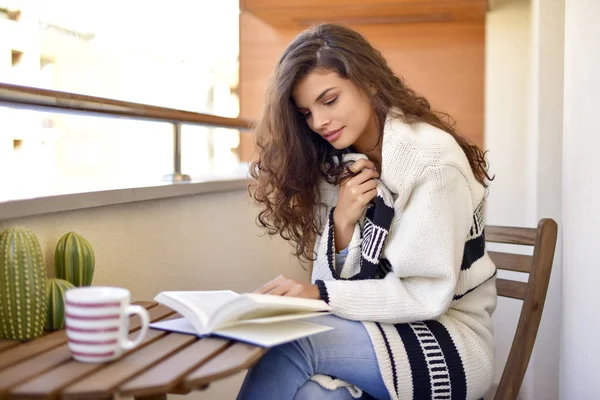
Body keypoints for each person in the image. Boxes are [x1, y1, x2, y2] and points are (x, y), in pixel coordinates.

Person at [238, 23, 497, 400]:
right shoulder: (346, 164)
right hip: (380, 329)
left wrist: (317, 293)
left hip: (449, 341)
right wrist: (342, 222)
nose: (319, 122)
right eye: (306, 112)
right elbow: (342, 289)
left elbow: (426, 295)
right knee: (318, 396)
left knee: (290, 343)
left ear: (370, 82)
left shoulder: (431, 162)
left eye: (329, 100)